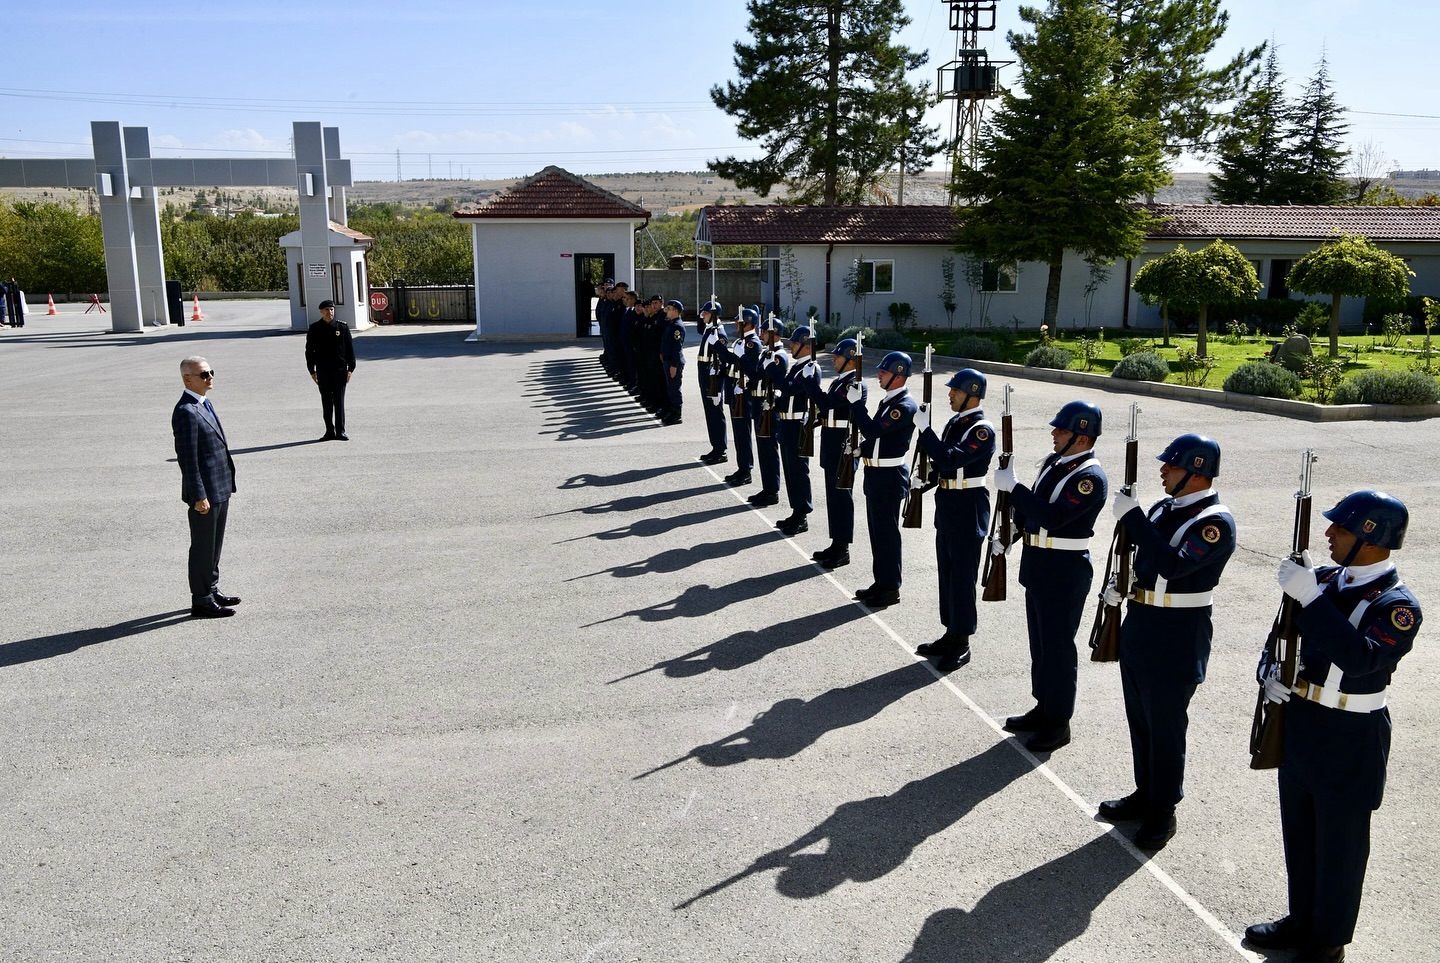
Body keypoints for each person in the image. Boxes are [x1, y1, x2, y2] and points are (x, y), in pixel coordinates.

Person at [1245, 491, 1422, 963]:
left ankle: (1328, 940)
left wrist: (1310, 597)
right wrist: (1269, 674)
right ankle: (1300, 918)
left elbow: (1362, 658)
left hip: (1351, 732)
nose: (1328, 535)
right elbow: (1279, 635)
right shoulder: (1321, 578)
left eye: (1339, 529)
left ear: (1368, 537)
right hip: (1302, 719)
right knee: (1299, 831)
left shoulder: (1398, 607)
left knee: (1340, 845)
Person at [1099, 434, 1236, 850]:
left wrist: (1135, 519)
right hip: (1142, 622)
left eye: (1171, 466)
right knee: (1140, 718)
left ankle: (1164, 810)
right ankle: (1146, 792)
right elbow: (1141, 558)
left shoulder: (1214, 523)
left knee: (1166, 727)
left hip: (1179, 631)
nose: (1162, 471)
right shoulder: (1166, 507)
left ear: (1196, 473)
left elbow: (1174, 565)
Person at [995, 400, 1108, 753]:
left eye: (1061, 429)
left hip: (1064, 569)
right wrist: (1011, 531)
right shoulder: (1056, 464)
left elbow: (1054, 516)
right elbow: (1034, 511)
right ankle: (1043, 707)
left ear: (1081, 436)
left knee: (1058, 650)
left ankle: (1059, 722)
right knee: (1040, 646)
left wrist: (1014, 488)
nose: (1054, 433)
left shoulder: (1089, 478)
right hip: (1039, 564)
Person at [913, 369, 995, 672]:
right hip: (948, 503)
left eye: (956, 392)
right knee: (947, 573)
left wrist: (925, 431)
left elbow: (950, 457)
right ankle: (951, 632)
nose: (950, 395)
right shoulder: (956, 422)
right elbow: (942, 466)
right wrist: (924, 480)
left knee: (962, 577)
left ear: (972, 394)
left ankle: (962, 642)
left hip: (968, 506)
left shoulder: (981, 430)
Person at [846, 350, 917, 608]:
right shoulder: (889, 401)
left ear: (898, 376)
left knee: (887, 535)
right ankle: (881, 582)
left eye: (884, 372)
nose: (879, 375)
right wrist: (861, 449)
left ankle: (890, 588)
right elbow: (877, 440)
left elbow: (874, 430)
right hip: (876, 474)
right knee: (877, 534)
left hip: (888, 477)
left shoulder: (903, 406)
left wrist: (855, 404)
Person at [172, 357, 239, 619]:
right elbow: (187, 459)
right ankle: (201, 600)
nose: (210, 377)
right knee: (202, 547)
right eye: (203, 374)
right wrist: (199, 495)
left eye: (211, 372)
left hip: (219, 485)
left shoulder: (204, 403)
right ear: (188, 378)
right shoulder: (186, 411)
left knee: (214, 544)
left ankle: (211, 588)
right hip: (205, 493)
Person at [803, 338, 866, 569]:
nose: (833, 359)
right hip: (831, 445)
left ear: (851, 361)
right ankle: (836, 543)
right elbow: (828, 412)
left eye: (838, 356)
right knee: (833, 497)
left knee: (842, 498)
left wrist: (809, 381)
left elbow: (827, 403)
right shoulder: (841, 382)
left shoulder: (854, 384)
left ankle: (843, 549)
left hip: (843, 448)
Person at [773, 325, 821, 535]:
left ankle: (802, 515)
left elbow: (791, 388)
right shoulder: (797, 366)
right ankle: (796, 511)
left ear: (807, 345)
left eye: (795, 342)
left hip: (798, 426)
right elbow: (787, 392)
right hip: (787, 423)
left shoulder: (811, 368)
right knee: (790, 470)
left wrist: (774, 372)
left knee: (799, 471)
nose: (790, 345)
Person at [743, 313, 789, 507]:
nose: (761, 334)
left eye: (764, 331)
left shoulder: (778, 356)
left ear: (774, 334)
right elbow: (755, 375)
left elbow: (768, 376)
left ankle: (773, 491)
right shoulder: (766, 353)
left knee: (769, 449)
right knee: (763, 448)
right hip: (759, 401)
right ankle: (767, 487)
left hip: (768, 404)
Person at [305, 299, 356, 441]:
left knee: (339, 402)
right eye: (327, 310)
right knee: (326, 402)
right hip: (323, 370)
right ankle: (329, 431)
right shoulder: (315, 328)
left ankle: (341, 431)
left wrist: (350, 369)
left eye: (332, 309)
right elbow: (309, 351)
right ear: (321, 311)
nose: (330, 312)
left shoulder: (342, 328)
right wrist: (311, 370)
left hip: (340, 370)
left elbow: (350, 350)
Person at [723, 308, 762, 488]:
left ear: (749, 324)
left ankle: (746, 470)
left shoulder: (753, 344)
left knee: (743, 432)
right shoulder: (742, 341)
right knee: (738, 432)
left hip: (744, 393)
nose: (737, 325)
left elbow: (753, 373)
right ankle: (741, 467)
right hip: (736, 391)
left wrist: (742, 356)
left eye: (740, 323)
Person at [695, 299, 729, 465]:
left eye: (706, 313)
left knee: (716, 414)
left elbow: (722, 360)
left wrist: (717, 383)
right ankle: (715, 447)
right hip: (705, 375)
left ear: (714, 315)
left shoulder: (719, 333)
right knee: (710, 414)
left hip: (713, 378)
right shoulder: (710, 329)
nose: (703, 316)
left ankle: (721, 449)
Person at [659, 300, 687, 426]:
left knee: (674, 388)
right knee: (670, 387)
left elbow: (677, 347)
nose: (666, 311)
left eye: (669, 309)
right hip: (668, 359)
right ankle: (671, 410)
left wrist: (674, 365)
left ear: (676, 311)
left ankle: (677, 413)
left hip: (673, 361)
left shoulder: (677, 326)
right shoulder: (671, 323)